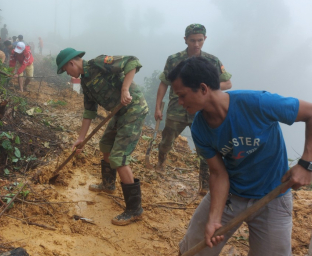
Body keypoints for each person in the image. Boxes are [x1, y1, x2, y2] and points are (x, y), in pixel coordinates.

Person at [170, 57, 312, 256]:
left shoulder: (258, 103)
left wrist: (306, 164)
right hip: (231, 195)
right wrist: (214, 218)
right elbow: (219, 174)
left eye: (182, 95)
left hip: (273, 196)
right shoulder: (200, 128)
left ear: (203, 88)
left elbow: (310, 113)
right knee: (195, 250)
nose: (180, 102)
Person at [55, 48, 149, 226]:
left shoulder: (99, 64)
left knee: (118, 157)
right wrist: (81, 138)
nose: (68, 73)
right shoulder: (85, 83)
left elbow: (132, 61)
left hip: (133, 109)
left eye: (67, 70)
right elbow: (89, 111)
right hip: (119, 112)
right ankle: (108, 184)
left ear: (71, 63)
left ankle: (135, 209)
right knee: (105, 144)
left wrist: (125, 89)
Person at [154, 23, 232, 194]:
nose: (196, 44)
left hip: (201, 112)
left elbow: (227, 83)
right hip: (177, 108)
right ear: (185, 40)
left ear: (205, 39)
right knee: (167, 140)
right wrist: (158, 107)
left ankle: (204, 184)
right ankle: (161, 162)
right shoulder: (174, 59)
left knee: (205, 148)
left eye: (200, 40)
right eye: (192, 40)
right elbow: (164, 84)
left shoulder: (211, 61)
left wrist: (205, 85)